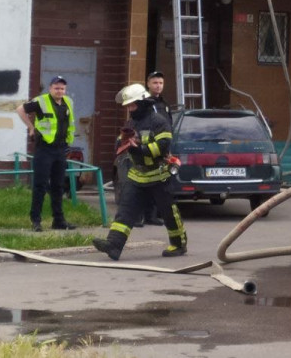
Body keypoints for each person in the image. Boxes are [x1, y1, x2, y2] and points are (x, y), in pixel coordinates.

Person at [93, 83, 187, 260]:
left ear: (142, 103)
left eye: (132, 105)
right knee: (126, 210)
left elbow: (162, 146)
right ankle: (113, 245)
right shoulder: (132, 122)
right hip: (137, 175)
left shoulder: (159, 122)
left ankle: (178, 244)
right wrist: (122, 144)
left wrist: (139, 149)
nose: (130, 109)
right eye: (127, 106)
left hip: (159, 176)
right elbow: (122, 141)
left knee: (168, 212)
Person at [15, 76, 78, 232]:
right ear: (50, 88)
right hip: (44, 149)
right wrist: (30, 127)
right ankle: (36, 220)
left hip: (61, 149)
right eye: (56, 88)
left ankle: (59, 220)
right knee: (40, 186)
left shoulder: (68, 102)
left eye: (62, 88)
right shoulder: (41, 101)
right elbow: (20, 109)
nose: (59, 91)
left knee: (58, 186)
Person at [134, 70, 170, 226]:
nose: (158, 86)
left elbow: (168, 125)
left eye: (161, 83)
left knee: (157, 182)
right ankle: (139, 216)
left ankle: (151, 215)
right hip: (146, 146)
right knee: (142, 183)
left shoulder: (163, 104)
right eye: (155, 83)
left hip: (161, 147)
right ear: (148, 84)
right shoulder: (145, 103)